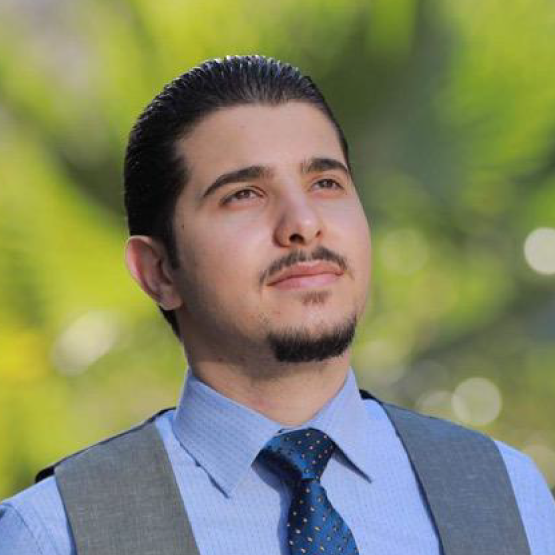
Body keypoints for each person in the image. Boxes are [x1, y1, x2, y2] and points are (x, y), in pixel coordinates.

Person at [0, 55, 554, 555]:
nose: (304, 223)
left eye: (326, 183)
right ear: (159, 271)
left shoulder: (510, 494)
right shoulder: (55, 533)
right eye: (243, 194)